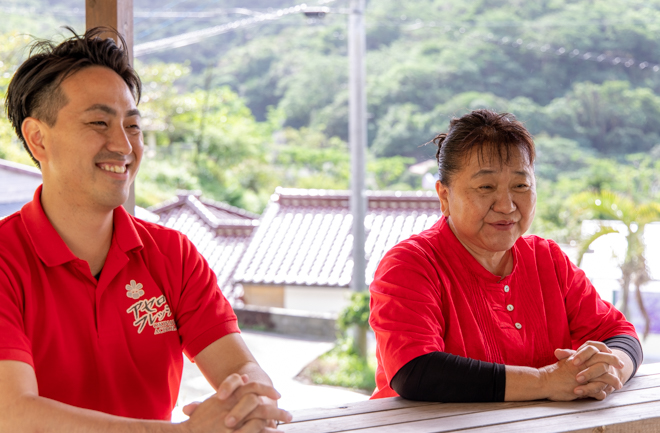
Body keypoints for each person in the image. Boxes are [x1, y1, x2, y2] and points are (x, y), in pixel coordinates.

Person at [0, 27, 291, 432]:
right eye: (99, 122)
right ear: (38, 139)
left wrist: (249, 398)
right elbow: (13, 414)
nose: (123, 145)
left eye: (133, 126)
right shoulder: (4, 259)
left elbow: (239, 366)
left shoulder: (174, 254)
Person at [369, 109, 643, 403]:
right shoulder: (410, 264)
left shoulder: (546, 259)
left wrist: (609, 369)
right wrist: (546, 381)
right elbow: (415, 372)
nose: (506, 205)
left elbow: (620, 335)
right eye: (486, 187)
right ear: (444, 197)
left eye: (520, 186)